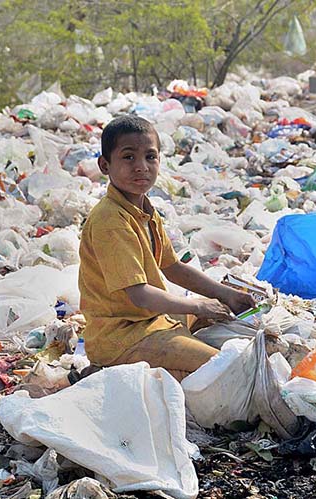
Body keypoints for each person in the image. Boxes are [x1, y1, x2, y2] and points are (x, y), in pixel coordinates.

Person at [79, 115, 256, 381]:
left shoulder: (144, 210)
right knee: (224, 368)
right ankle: (105, 373)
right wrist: (198, 307)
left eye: (150, 157)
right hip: (121, 336)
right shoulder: (110, 220)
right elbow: (139, 294)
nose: (141, 167)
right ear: (105, 165)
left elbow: (172, 267)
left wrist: (225, 294)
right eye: (128, 158)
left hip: (151, 320)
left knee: (228, 325)